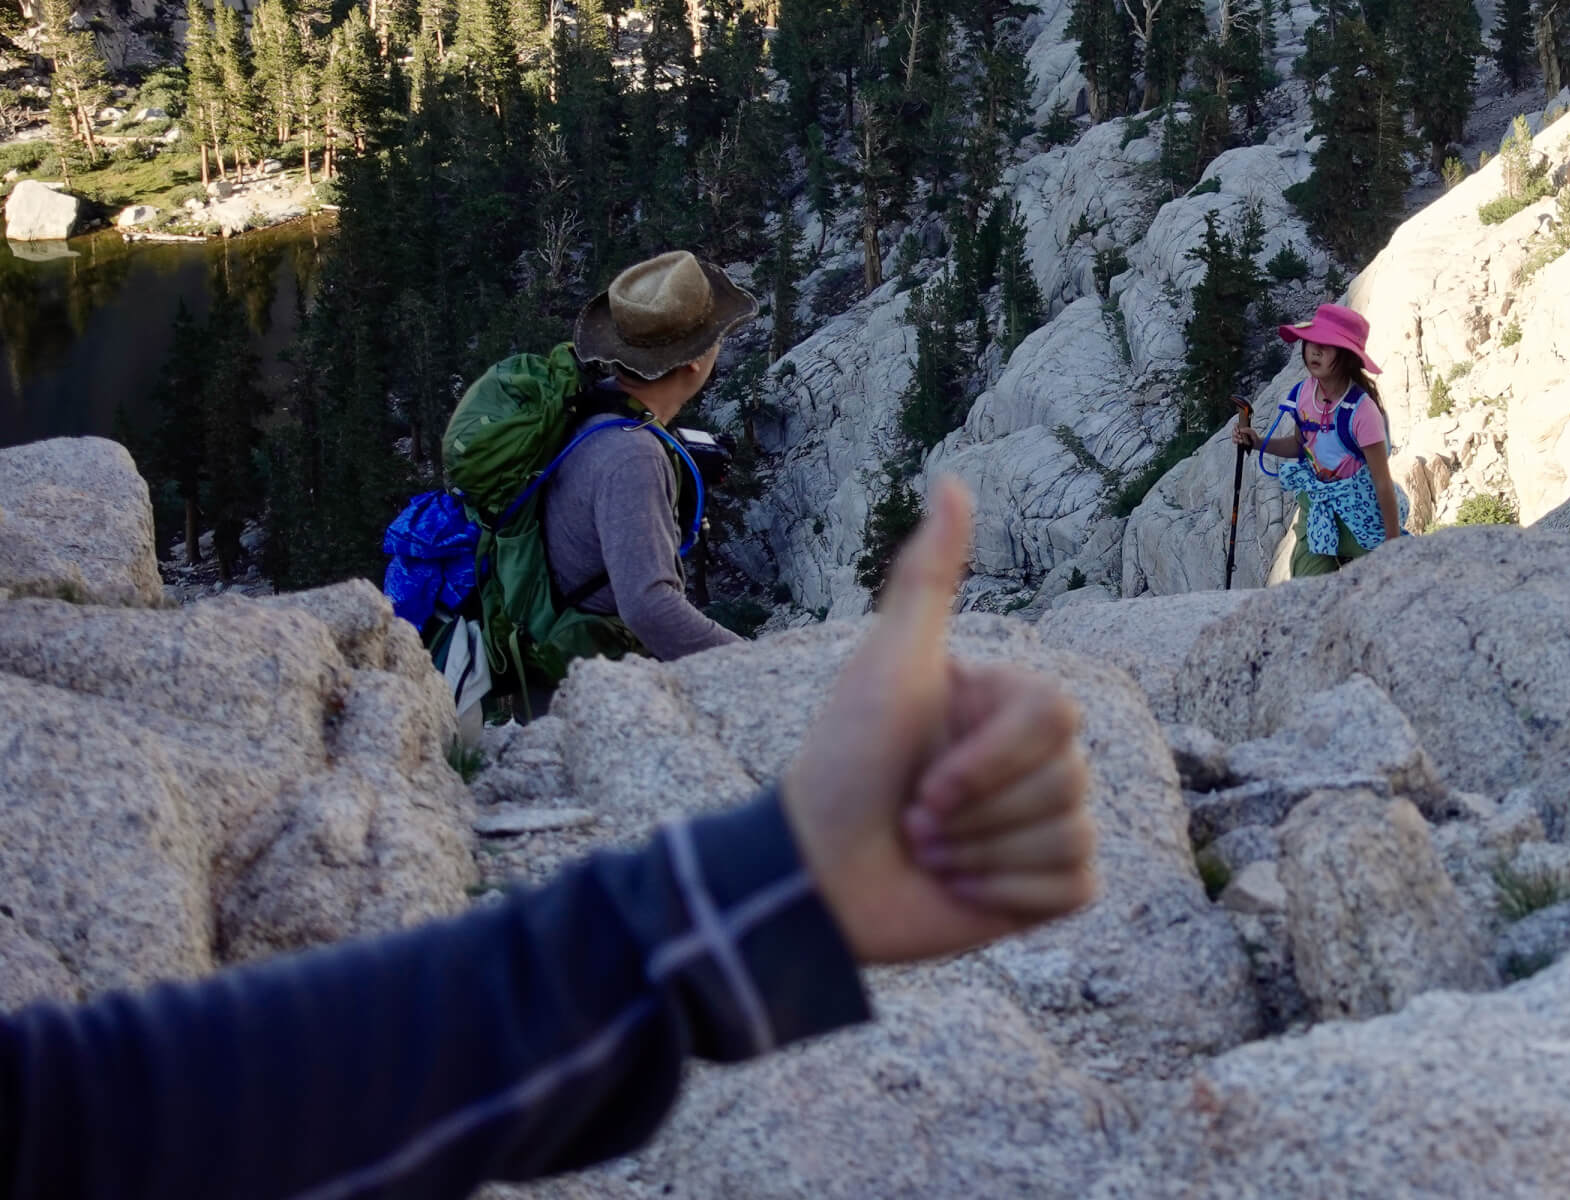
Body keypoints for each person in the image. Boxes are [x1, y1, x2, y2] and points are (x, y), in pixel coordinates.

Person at [0, 479, 1096, 1200]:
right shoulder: (632, 459)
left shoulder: (598, 437)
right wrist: (761, 705)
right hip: (576, 676)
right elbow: (141, 1122)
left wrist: (770, 876)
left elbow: (100, 1122)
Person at [543, 250, 752, 661]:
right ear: (694, 361)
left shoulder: (597, 405)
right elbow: (649, 608)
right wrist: (757, 666)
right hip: (594, 685)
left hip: (569, 651)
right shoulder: (632, 454)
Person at [1231, 303, 1408, 577]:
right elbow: (1300, 447)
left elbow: (1381, 481)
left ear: (1348, 356)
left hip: (1359, 509)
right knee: (1305, 584)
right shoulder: (1304, 393)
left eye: (1327, 344)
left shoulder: (1362, 411)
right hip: (1318, 503)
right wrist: (1258, 442)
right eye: (1311, 342)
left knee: (1385, 583)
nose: (1314, 350)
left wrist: (1393, 544)